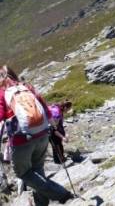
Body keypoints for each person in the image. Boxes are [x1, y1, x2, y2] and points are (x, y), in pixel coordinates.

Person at [0, 66, 73, 206]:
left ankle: (62, 194)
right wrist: (53, 127)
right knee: (38, 171)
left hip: (22, 140)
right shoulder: (27, 87)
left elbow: (1, 116)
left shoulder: (3, 92)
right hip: (43, 135)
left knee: (23, 173)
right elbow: (45, 109)